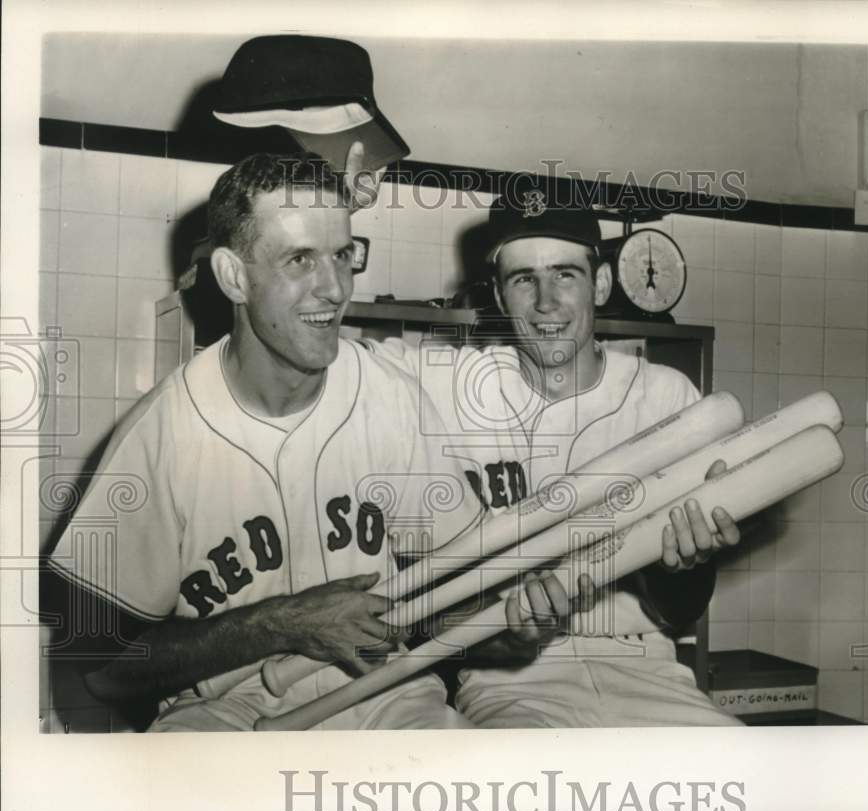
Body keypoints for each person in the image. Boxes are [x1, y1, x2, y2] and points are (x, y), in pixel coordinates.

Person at [44, 153, 568, 731]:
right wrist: (283, 623)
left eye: (343, 255)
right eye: (301, 260)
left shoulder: (390, 398)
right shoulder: (161, 433)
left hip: (385, 698)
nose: (335, 288)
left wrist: (511, 631)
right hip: (223, 711)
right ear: (233, 276)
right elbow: (100, 667)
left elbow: (447, 606)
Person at [364, 190, 744, 727]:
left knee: (746, 781)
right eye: (524, 279)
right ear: (498, 295)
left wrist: (685, 564)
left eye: (565, 274)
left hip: (641, 661)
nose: (546, 301)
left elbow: (681, 609)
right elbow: (335, 360)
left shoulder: (666, 398)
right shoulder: (449, 383)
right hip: (509, 676)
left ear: (603, 284)